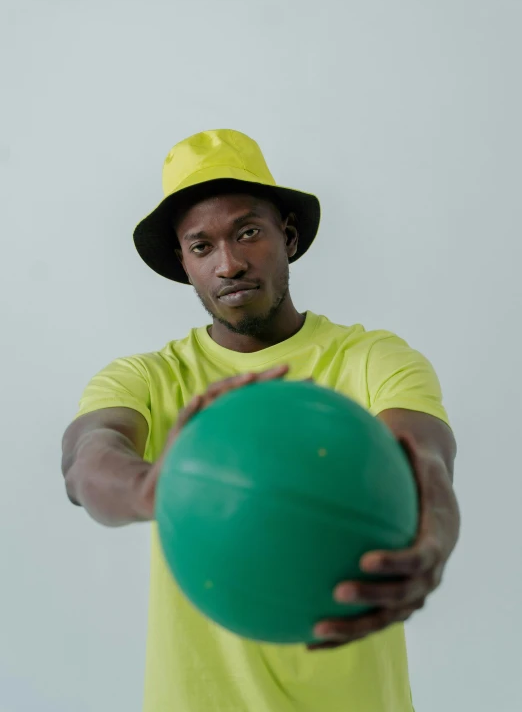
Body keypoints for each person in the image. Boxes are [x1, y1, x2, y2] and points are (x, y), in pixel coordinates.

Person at [61, 129, 460, 712]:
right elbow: (85, 460)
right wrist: (150, 488)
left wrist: (435, 539)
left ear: (288, 237)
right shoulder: (146, 376)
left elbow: (424, 459)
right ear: (184, 263)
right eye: (202, 247)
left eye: (248, 232)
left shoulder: (373, 358)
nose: (229, 263)